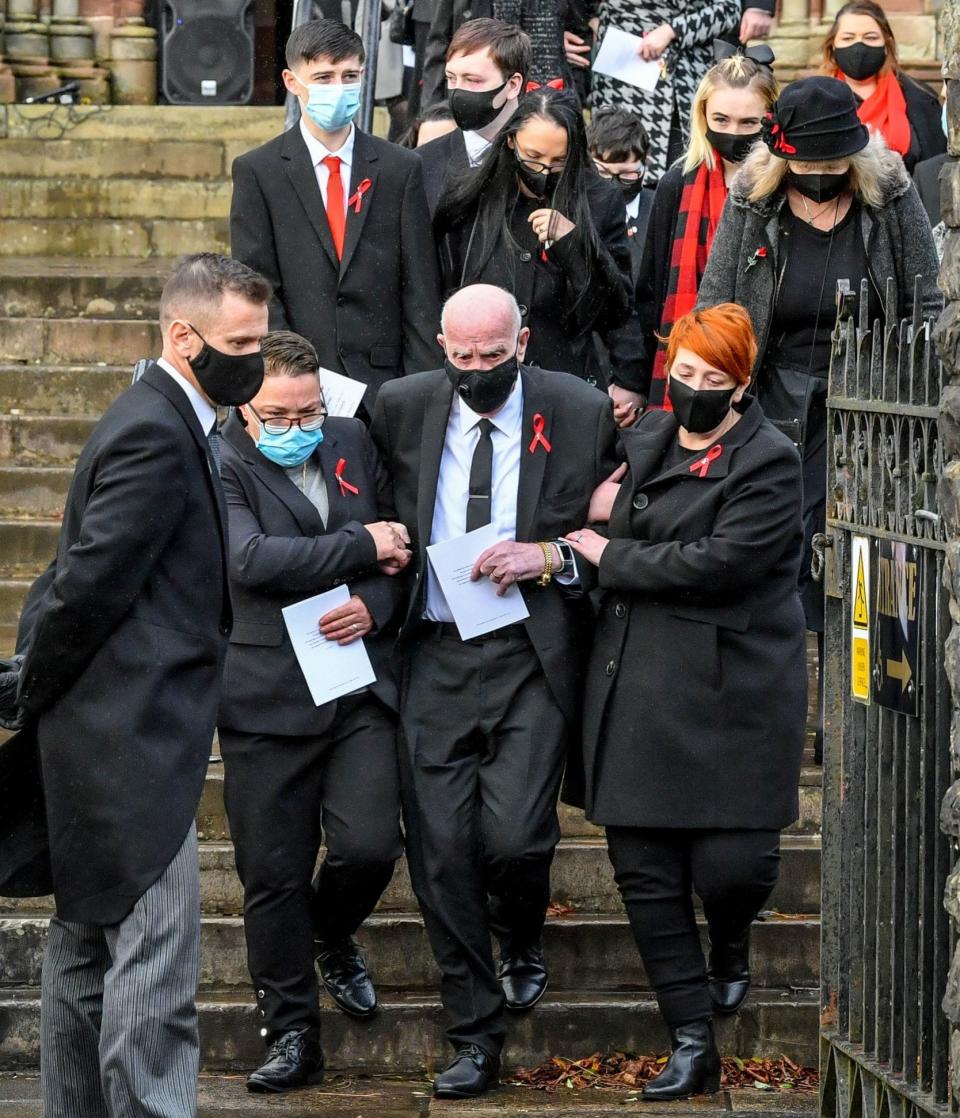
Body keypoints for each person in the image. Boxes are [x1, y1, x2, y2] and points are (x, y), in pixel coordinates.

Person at [13, 253, 270, 1118]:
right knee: (152, 965)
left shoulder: (164, 416)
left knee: (85, 947)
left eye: (261, 340)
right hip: (127, 738)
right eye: (240, 342)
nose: (255, 360)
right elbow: (84, 583)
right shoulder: (157, 429)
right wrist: (30, 689)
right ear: (181, 334)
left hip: (107, 726)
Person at [370, 284, 618, 1100]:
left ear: (522, 342)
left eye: (492, 355)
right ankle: (472, 1032)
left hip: (528, 655)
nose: (476, 369)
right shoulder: (400, 408)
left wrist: (551, 555)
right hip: (434, 655)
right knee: (440, 854)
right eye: (461, 356)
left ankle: (520, 934)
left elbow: (619, 526)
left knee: (513, 839)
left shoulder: (577, 410)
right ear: (440, 346)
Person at [565, 303, 806, 1102]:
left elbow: (724, 562)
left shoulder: (768, 459)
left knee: (735, 867)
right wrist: (602, 515)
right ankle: (692, 1037)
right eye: (684, 373)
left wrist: (613, 551)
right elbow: (607, 507)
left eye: (711, 380)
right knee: (644, 870)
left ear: (741, 386)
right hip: (636, 679)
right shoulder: (648, 441)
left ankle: (731, 941)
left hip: (731, 684)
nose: (692, 389)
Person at [696, 75, 940, 754]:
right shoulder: (752, 200)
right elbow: (718, 305)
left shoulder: (889, 196)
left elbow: (925, 301)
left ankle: (867, 719)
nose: (822, 179)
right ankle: (774, 716)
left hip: (870, 403)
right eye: (809, 168)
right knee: (775, 550)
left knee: (873, 553)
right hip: (774, 399)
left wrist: (911, 392)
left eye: (835, 167)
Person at [216, 330, 411, 1093]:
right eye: (278, 416)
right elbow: (252, 559)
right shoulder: (220, 458)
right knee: (272, 874)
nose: (298, 428)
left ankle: (329, 934)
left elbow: (403, 554)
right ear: (245, 407)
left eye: (309, 412)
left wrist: (374, 602)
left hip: (354, 686)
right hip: (264, 696)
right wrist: (361, 546)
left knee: (368, 845)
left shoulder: (351, 438)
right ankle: (293, 1033)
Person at [231, 19, 441, 418]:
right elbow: (257, 286)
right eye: (323, 77)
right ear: (293, 82)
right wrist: (286, 372)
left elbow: (419, 286)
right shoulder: (259, 171)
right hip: (300, 386)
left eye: (349, 76)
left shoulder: (399, 168)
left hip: (386, 383)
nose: (338, 88)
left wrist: (422, 386)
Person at [434, 88, 631, 379]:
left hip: (563, 374)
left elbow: (614, 310)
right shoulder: (476, 196)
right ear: (512, 141)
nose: (544, 171)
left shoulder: (599, 200)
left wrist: (574, 243)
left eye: (558, 162)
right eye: (533, 156)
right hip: (481, 372)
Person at [639, 51, 778, 409]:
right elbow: (652, 287)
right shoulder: (677, 182)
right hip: (688, 357)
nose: (733, 132)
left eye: (749, 123)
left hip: (766, 365)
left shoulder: (785, 187)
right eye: (721, 119)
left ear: (770, 119)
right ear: (703, 117)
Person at [588, 0, 741, 183]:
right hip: (621, 73)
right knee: (615, 174)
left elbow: (729, 10)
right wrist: (584, 23)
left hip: (682, 81)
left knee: (675, 182)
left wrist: (673, 30)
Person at [416, 19, 531, 215]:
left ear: (513, 85)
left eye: (473, 80)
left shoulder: (543, 158)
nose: (458, 90)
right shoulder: (421, 165)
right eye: (451, 78)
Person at [585, 106, 654, 422]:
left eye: (628, 174)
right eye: (603, 174)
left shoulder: (658, 209)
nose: (615, 185)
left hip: (649, 363)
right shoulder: (580, 213)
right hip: (593, 364)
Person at [821, 0, 945, 174]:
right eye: (848, 38)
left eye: (871, 37)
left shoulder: (922, 99)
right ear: (833, 44)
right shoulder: (813, 100)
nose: (859, 47)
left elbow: (936, 169)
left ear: (887, 44)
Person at [422, 0, 569, 110]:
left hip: (548, 94)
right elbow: (439, 43)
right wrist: (434, 112)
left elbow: (579, 23)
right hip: (475, 98)